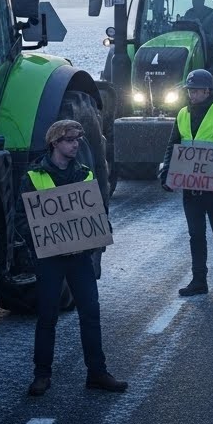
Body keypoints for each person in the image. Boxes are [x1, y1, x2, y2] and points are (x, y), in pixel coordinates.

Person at [15, 119, 128, 397]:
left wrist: (100, 235)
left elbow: (97, 211)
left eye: (78, 139)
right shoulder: (33, 177)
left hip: (79, 259)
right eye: (70, 140)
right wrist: (40, 245)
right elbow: (20, 218)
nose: (76, 144)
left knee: (90, 313)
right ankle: (41, 375)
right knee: (47, 317)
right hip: (50, 259)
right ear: (55, 142)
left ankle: (97, 373)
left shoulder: (86, 174)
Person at [159, 69, 213, 302]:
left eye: (196, 90)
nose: (192, 94)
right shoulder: (183, 114)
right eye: (190, 90)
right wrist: (167, 172)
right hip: (191, 189)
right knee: (196, 235)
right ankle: (199, 280)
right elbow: (173, 145)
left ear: (208, 91)